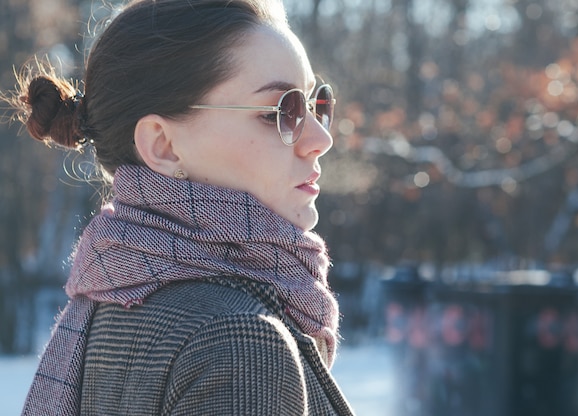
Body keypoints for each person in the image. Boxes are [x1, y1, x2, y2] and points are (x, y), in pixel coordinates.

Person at [6, 0, 354, 414]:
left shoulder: (107, 301)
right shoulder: (239, 342)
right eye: (280, 111)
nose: (320, 139)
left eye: (317, 105)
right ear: (163, 146)